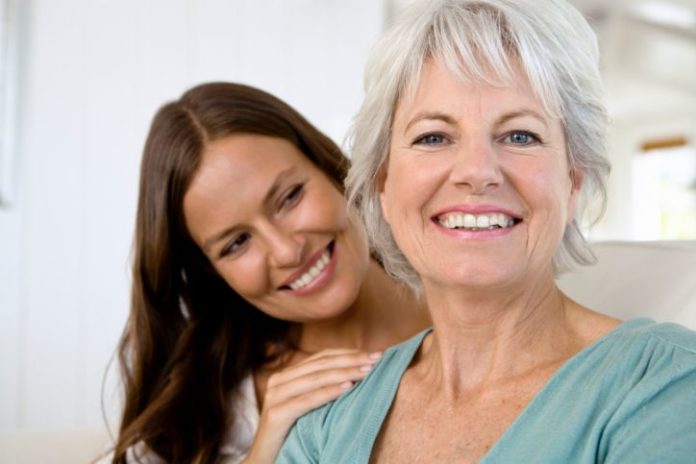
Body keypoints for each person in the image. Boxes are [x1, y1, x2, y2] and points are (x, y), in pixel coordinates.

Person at [276, 0, 696, 462]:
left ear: (573, 183)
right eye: (433, 137)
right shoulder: (330, 419)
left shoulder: (665, 385)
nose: (477, 171)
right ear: (383, 185)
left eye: (520, 136)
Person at [107, 82, 429, 463]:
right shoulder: (209, 414)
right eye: (236, 243)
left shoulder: (479, 300)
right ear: (213, 272)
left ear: (328, 165)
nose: (286, 251)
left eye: (290, 197)